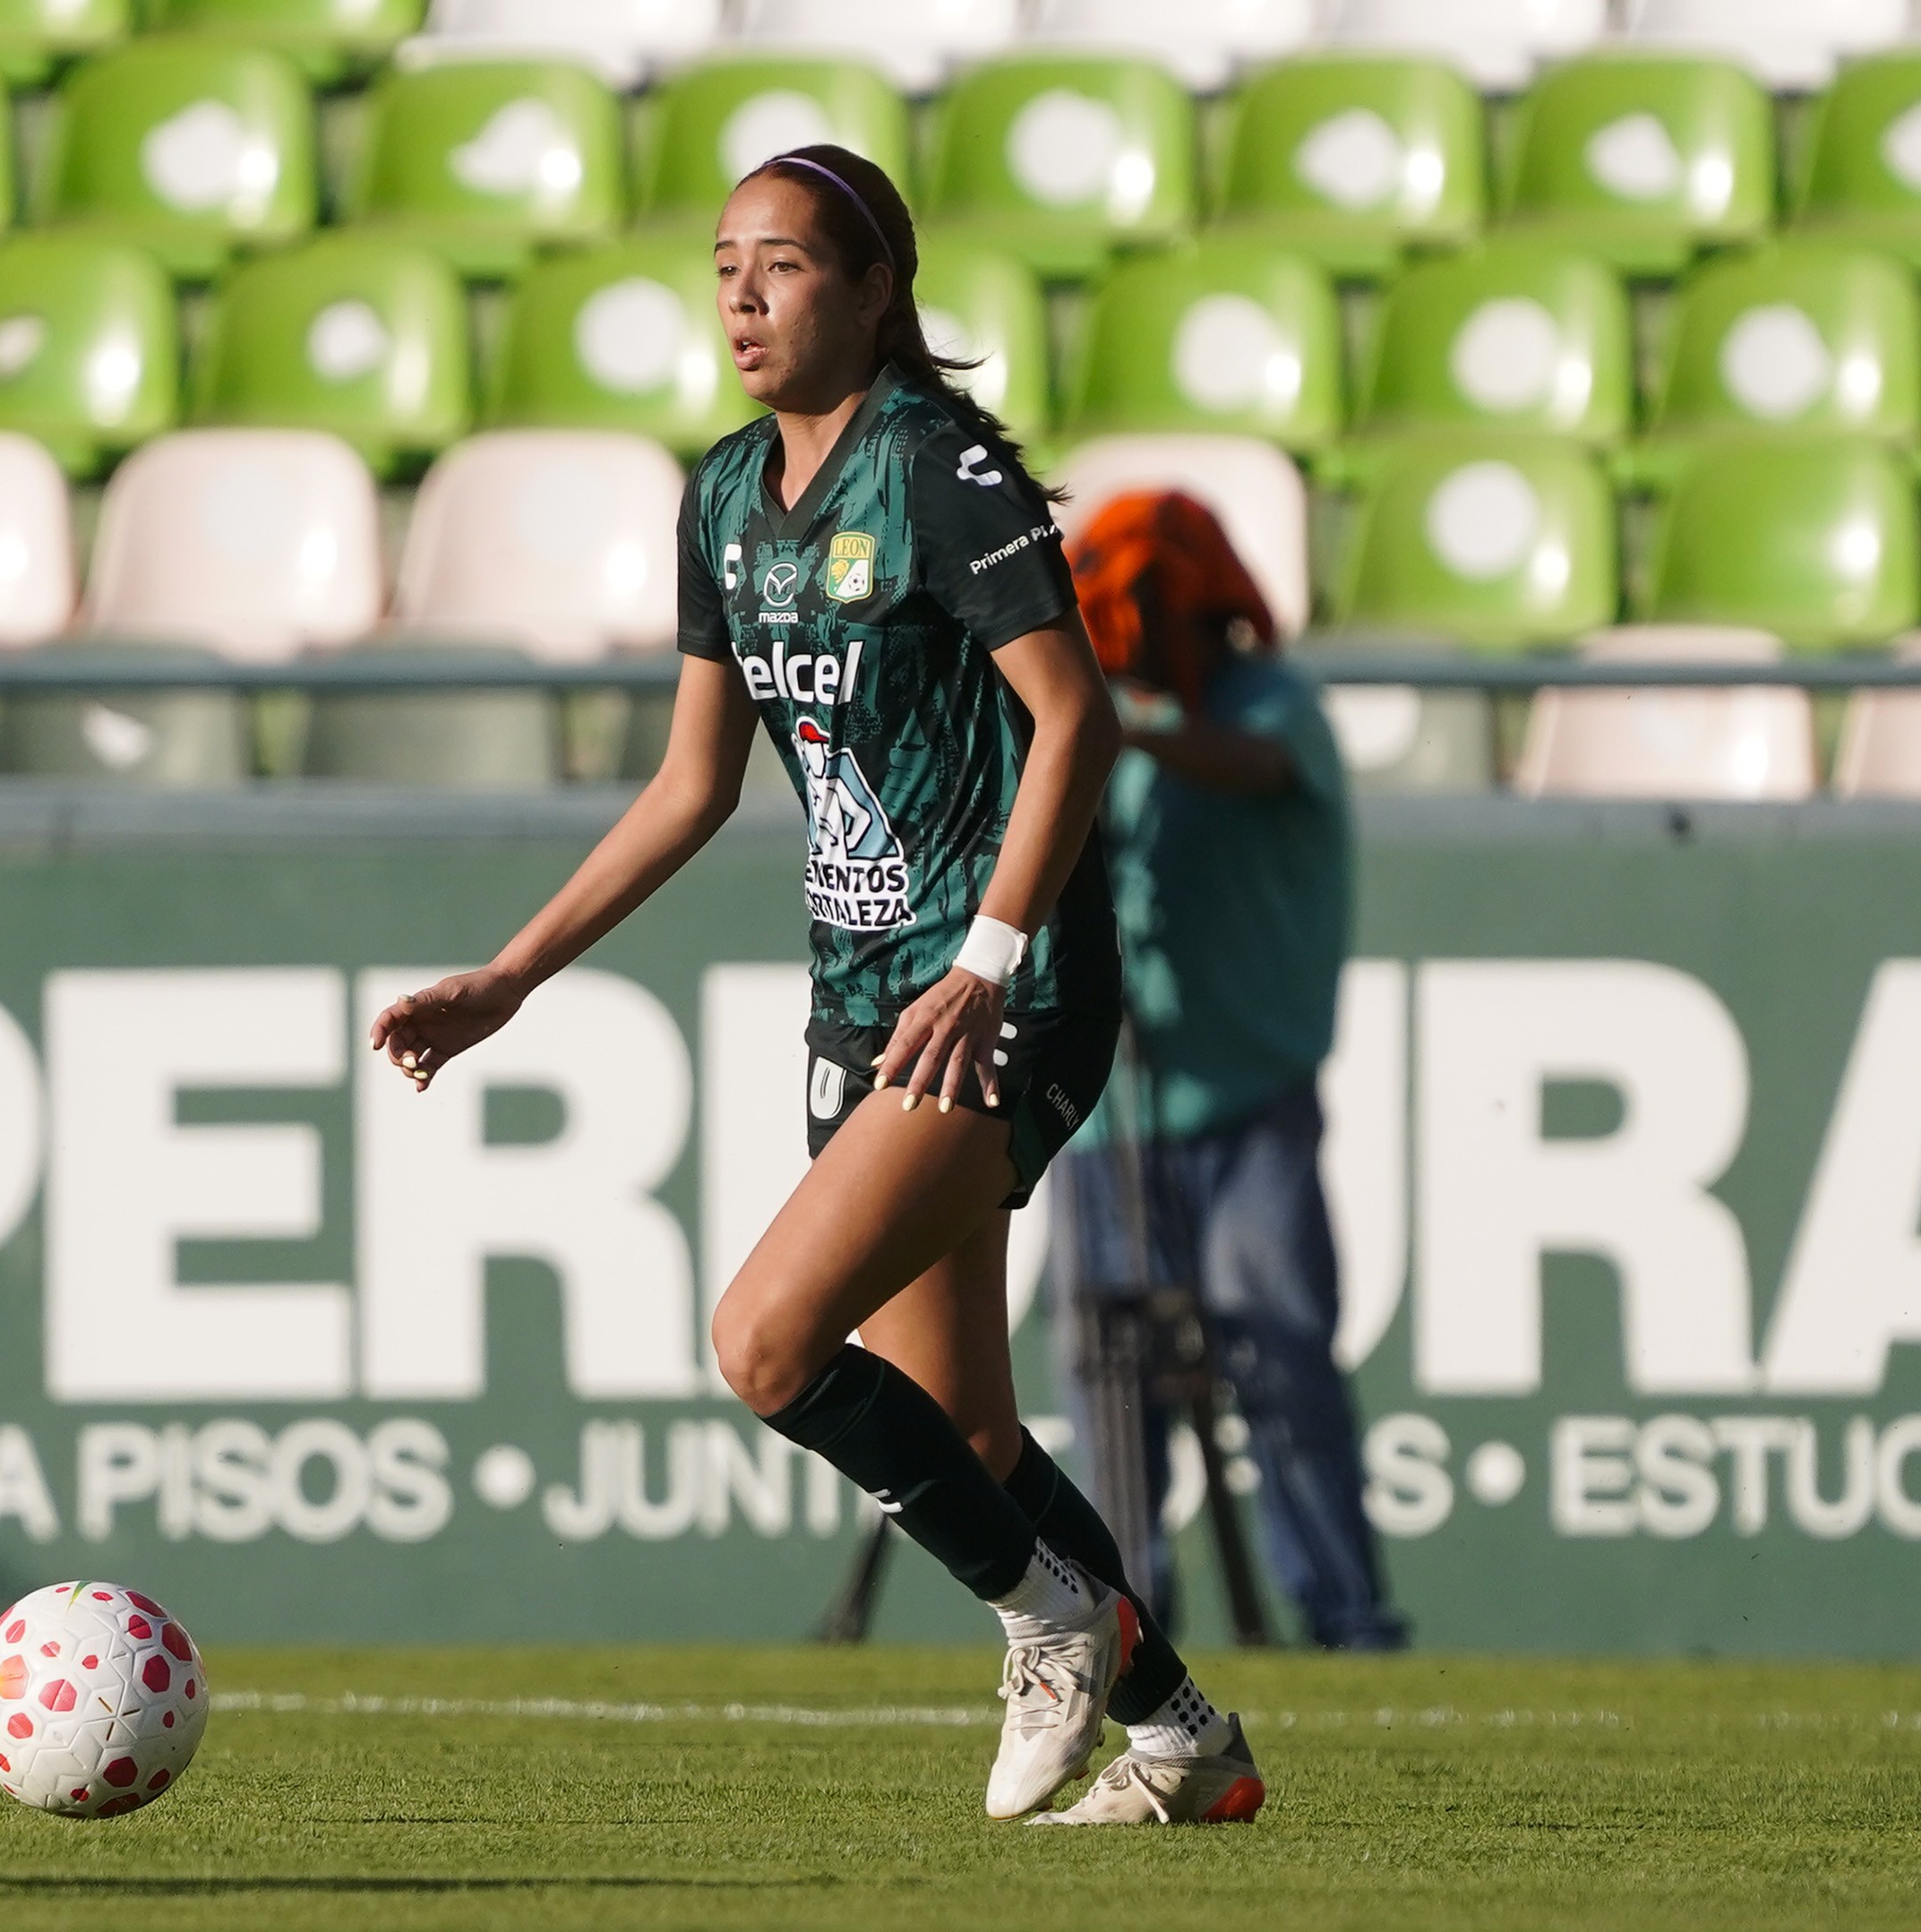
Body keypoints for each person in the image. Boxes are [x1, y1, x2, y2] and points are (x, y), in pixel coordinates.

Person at [368, 148, 1263, 1827]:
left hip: (1003, 989)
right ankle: (1184, 1740)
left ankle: (1049, 1623)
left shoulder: (932, 470)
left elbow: (1079, 721)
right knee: (963, 1432)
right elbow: (689, 787)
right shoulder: (719, 495)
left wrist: (992, 958)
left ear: (873, 290)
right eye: (723, 266)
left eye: (783, 266)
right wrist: (513, 975)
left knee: (766, 1342)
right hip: (862, 1004)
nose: (744, 297)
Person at [1050, 489, 1406, 1653]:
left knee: (1276, 1350)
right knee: (1108, 1387)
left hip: (1249, 1098)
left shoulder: (1273, 706)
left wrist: (1111, 723)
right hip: (1104, 1108)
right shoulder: (1091, 720)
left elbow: (1248, 764)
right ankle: (1123, 1625)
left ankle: (1344, 1617)